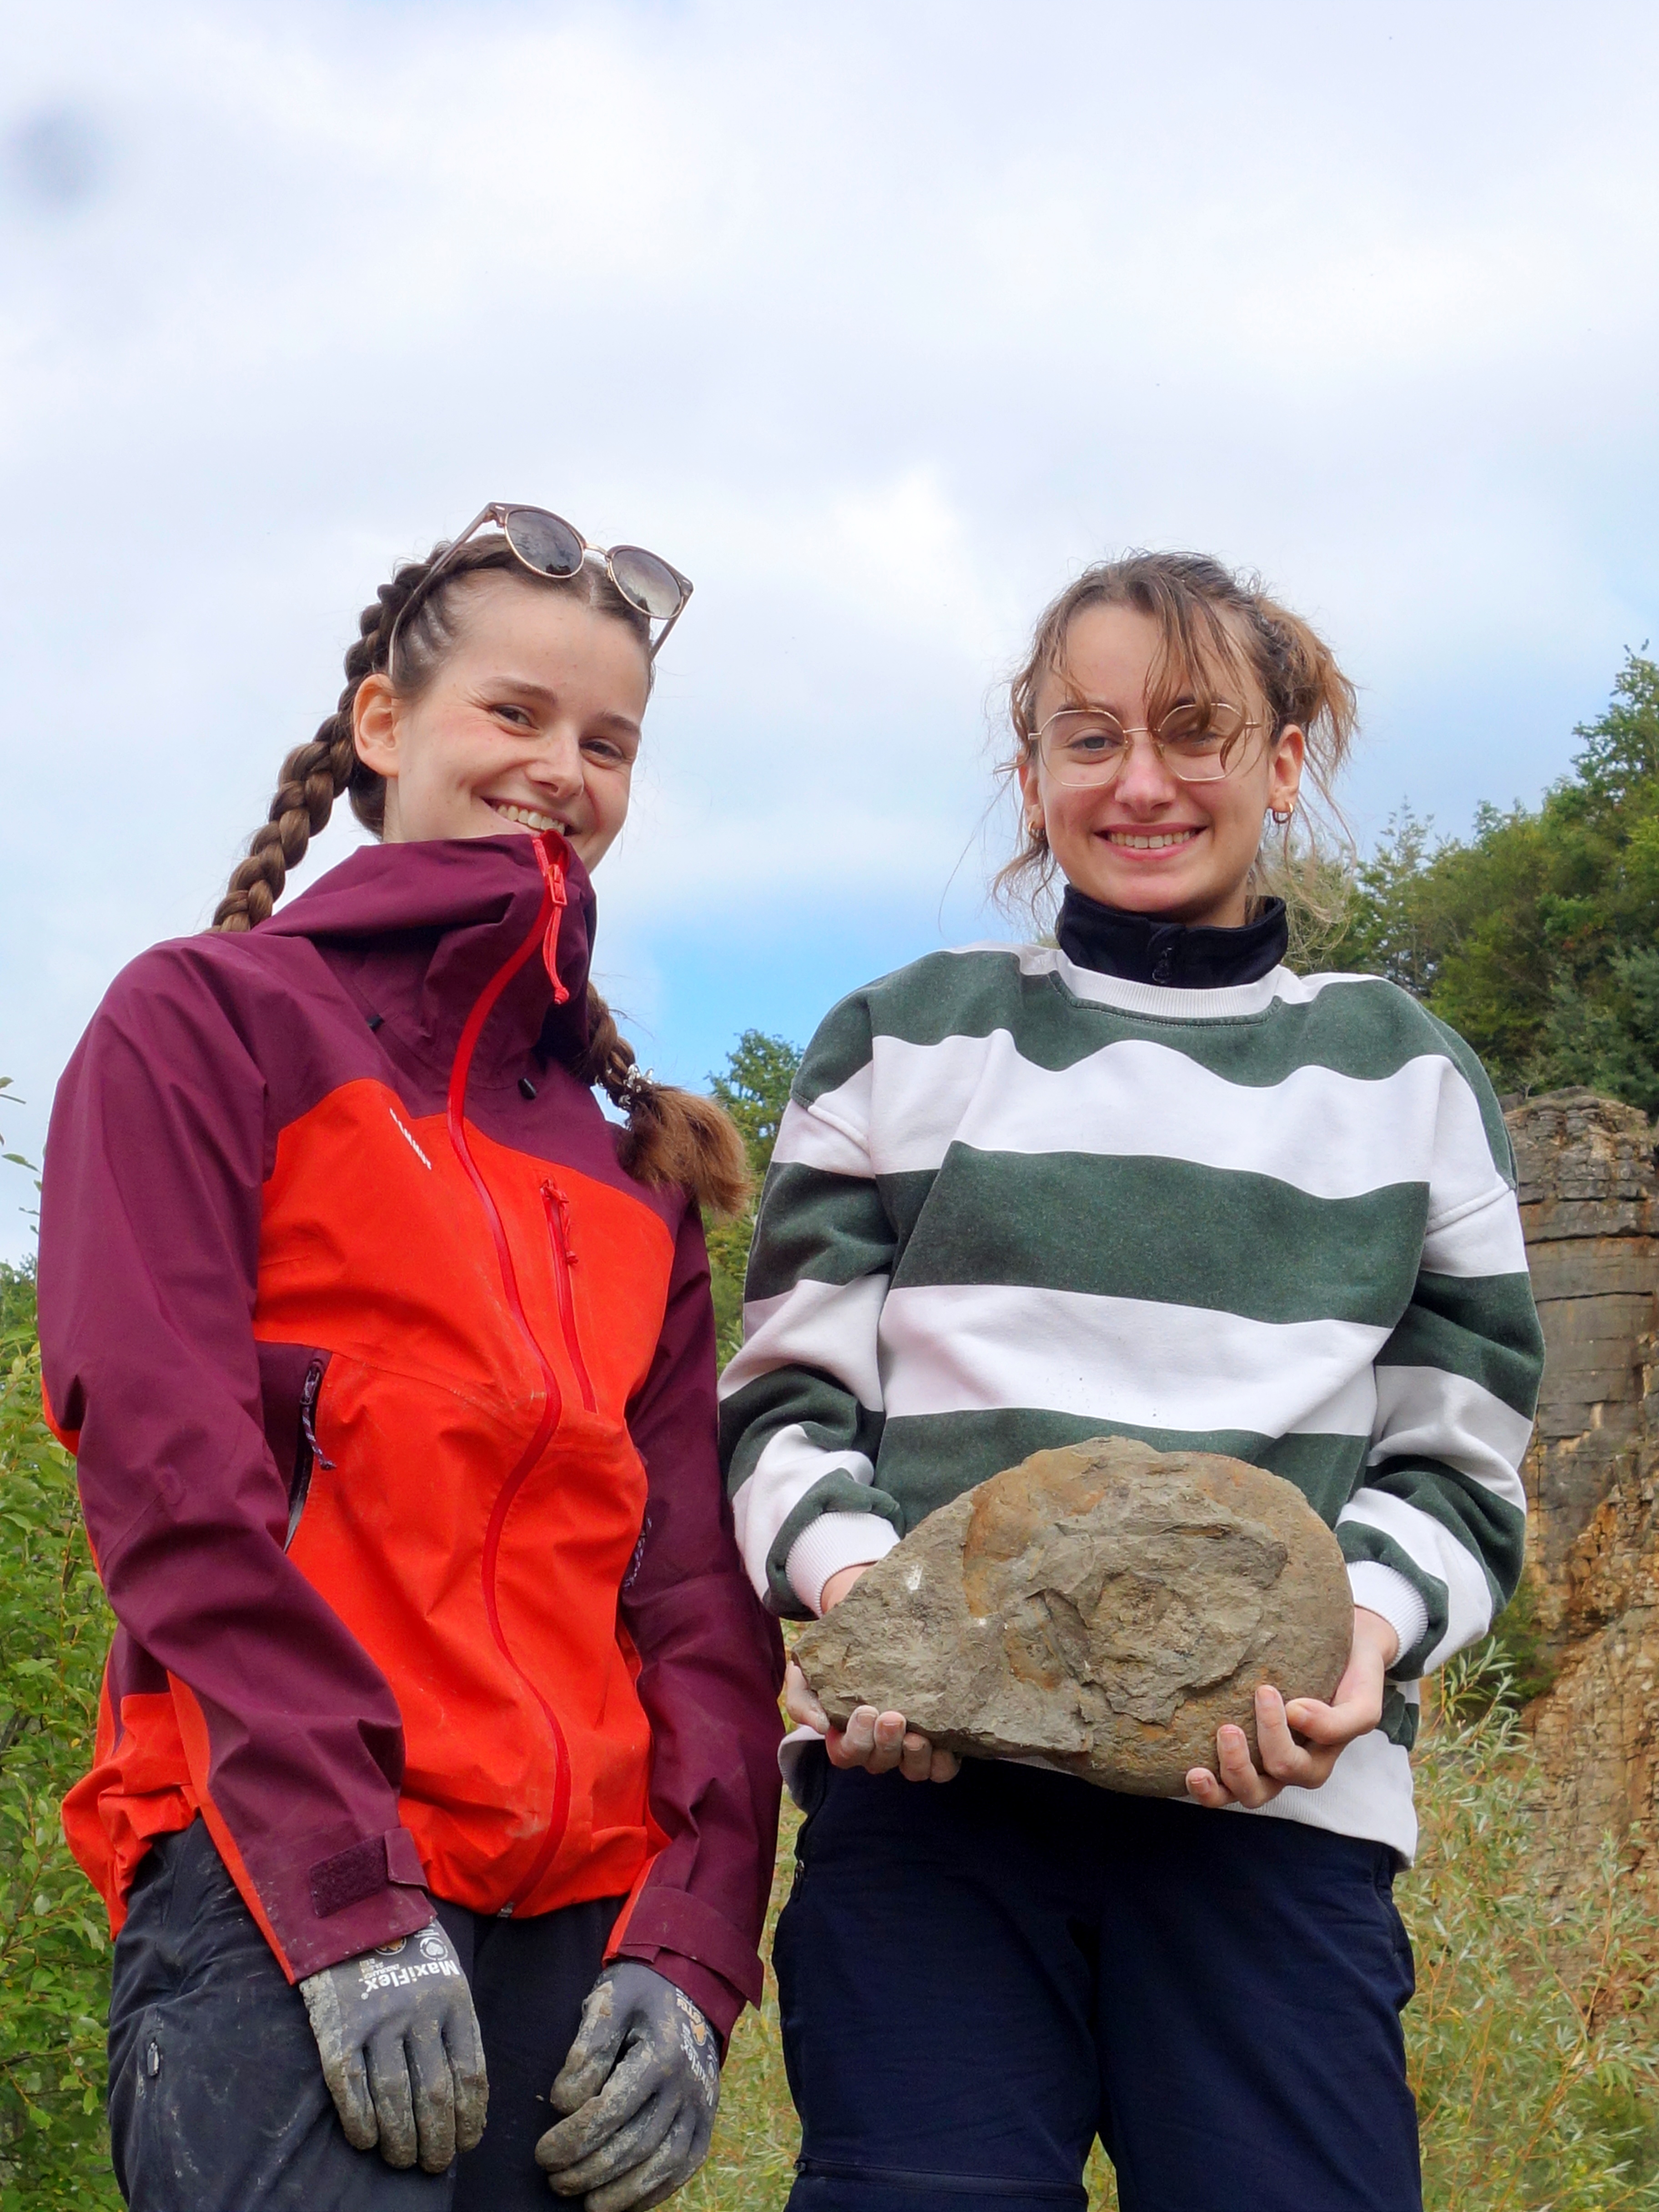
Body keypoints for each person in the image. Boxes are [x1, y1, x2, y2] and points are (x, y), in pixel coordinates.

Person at [719, 551, 1544, 2212]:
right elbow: (785, 1406)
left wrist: (1355, 1645)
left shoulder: (1404, 1075)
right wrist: (877, 1611)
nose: (1143, 782)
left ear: (1282, 760)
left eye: (1195, 730)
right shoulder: (901, 1040)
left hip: (1279, 1820)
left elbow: (1461, 1459)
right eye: (1088, 738)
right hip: (934, 1817)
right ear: (1031, 777)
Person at [38, 504, 785, 2212]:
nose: (564, 772)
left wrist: (693, 1952)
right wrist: (344, 1899)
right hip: (276, 1885)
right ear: (384, 726)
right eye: (514, 716)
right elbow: (171, 1479)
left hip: (581, 1942)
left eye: (608, 742)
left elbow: (690, 1599)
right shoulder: (204, 1023)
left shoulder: (634, 1164)